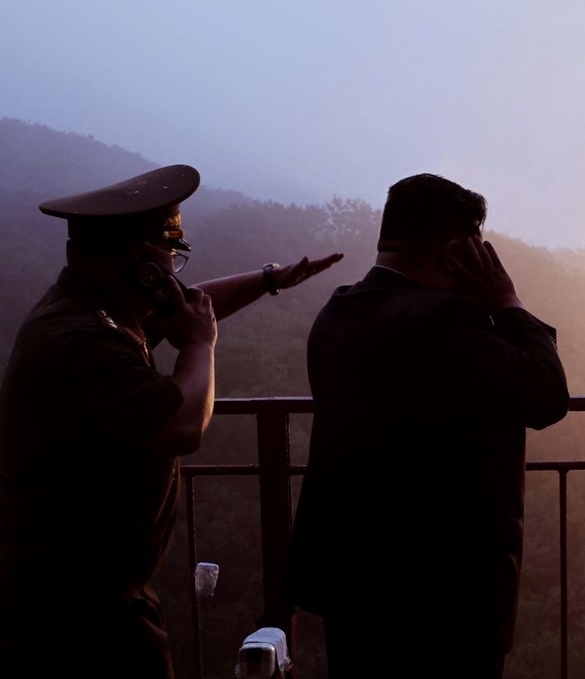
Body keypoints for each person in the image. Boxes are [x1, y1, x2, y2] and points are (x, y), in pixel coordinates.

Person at [0, 164, 343, 677]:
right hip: (77, 614)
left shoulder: (93, 309)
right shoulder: (80, 339)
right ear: (142, 264)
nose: (174, 274)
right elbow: (183, 426)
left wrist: (270, 279)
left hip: (83, 593)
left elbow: (187, 305)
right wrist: (201, 344)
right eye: (171, 258)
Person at [286, 173, 570, 678]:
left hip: (351, 580)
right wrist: (506, 300)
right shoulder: (446, 321)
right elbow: (546, 396)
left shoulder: (338, 311)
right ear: (456, 252)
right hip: (445, 597)